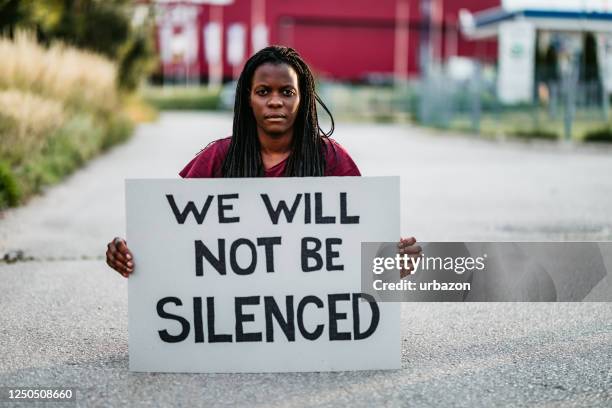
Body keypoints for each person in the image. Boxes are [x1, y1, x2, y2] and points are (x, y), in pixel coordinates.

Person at [106, 45, 421, 278]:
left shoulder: (332, 158)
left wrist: (394, 261)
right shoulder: (218, 158)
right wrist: (131, 254)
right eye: (262, 91)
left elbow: (361, 239)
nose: (274, 101)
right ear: (248, 98)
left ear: (303, 99)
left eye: (287, 91)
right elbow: (170, 231)